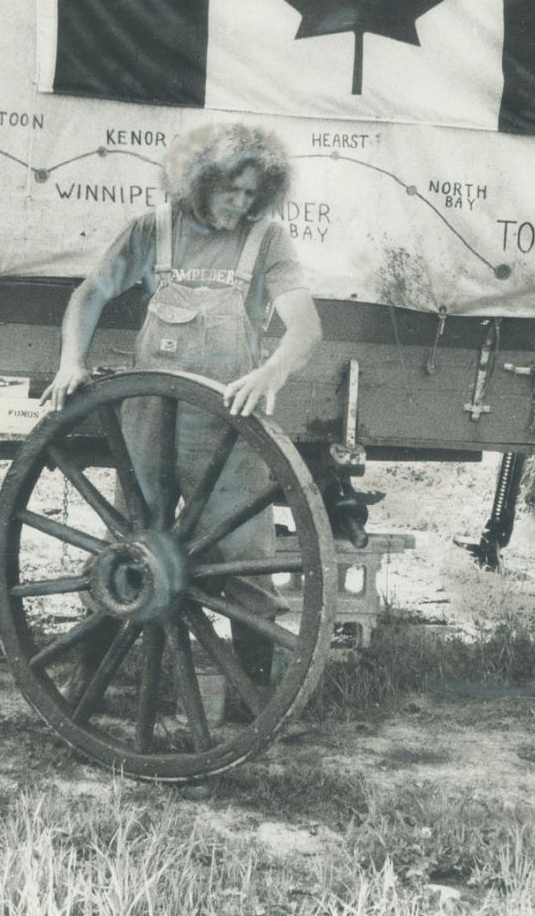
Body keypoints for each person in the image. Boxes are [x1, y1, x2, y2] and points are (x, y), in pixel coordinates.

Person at [40, 121, 322, 685]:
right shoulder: (152, 231)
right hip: (150, 420)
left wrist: (271, 370)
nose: (239, 204)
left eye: (250, 194)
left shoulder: (266, 239)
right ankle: (92, 677)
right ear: (198, 181)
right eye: (229, 191)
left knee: (246, 564)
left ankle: (253, 694)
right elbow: (89, 294)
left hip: (229, 428)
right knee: (126, 549)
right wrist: (71, 360)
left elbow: (306, 327)